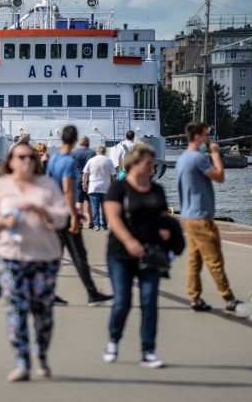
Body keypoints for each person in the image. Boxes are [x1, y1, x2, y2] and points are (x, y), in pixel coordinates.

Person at [0, 141, 68, 382]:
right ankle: (22, 362)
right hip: (10, 257)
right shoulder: (0, 186)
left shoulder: (47, 185)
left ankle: (42, 355)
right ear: (11, 161)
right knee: (16, 310)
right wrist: (1, 223)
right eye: (21, 157)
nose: (27, 161)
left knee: (43, 312)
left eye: (31, 157)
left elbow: (62, 217)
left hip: (44, 258)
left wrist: (41, 210)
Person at [102, 144, 171, 368]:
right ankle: (113, 339)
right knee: (122, 301)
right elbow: (113, 218)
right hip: (120, 254)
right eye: (148, 163)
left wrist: (166, 231)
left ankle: (148, 350)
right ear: (133, 164)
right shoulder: (118, 189)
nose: (152, 167)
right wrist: (130, 241)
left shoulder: (157, 190)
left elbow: (163, 216)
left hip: (150, 253)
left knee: (149, 301)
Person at [176, 122, 242, 313]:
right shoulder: (198, 158)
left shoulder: (183, 158)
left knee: (194, 260)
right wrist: (215, 153)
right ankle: (228, 298)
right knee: (214, 259)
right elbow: (220, 177)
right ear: (197, 137)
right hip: (201, 217)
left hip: (188, 216)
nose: (209, 139)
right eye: (206, 135)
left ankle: (194, 297)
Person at [46, 125, 113, 306]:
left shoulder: (53, 160)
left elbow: (48, 187)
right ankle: (92, 294)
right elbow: (68, 191)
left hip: (54, 212)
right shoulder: (68, 162)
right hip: (66, 215)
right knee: (79, 255)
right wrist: (75, 215)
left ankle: (47, 292)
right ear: (75, 141)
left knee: (55, 255)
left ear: (61, 139)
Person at [83, 145, 116, 231]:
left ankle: (96, 225)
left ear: (97, 151)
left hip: (93, 187)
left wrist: (84, 184)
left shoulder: (91, 160)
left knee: (95, 206)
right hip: (106, 187)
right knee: (105, 207)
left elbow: (85, 173)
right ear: (105, 151)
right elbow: (113, 175)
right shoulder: (109, 161)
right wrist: (114, 185)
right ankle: (104, 224)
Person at [72, 136, 96, 228]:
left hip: (77, 178)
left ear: (80, 143)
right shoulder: (92, 153)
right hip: (90, 178)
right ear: (88, 142)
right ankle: (92, 222)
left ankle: (80, 222)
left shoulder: (74, 152)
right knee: (90, 201)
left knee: (79, 201)